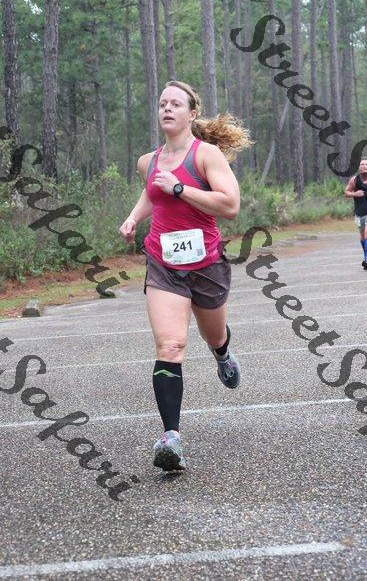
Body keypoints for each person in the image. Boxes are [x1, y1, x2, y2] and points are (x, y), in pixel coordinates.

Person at [119, 80, 253, 472]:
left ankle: (222, 354)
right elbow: (151, 192)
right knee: (171, 345)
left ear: (192, 113)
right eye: (163, 103)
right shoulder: (148, 161)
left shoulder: (206, 155)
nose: (167, 108)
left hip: (206, 264)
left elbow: (229, 205)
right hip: (164, 264)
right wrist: (133, 217)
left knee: (214, 335)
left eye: (176, 104)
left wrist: (180, 188)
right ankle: (171, 438)